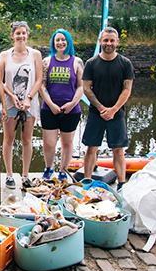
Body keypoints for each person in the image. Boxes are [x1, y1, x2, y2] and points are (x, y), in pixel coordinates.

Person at [82, 26, 134, 191]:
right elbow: (86, 88)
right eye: (106, 40)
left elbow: (127, 89)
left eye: (112, 40)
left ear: (117, 42)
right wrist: (101, 108)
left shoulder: (125, 63)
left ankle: (121, 183)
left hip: (117, 115)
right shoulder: (92, 63)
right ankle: (87, 182)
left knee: (118, 150)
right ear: (100, 41)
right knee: (91, 149)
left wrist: (113, 109)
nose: (109, 43)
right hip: (96, 114)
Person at [0, 21, 43, 189]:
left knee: (27, 140)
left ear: (28, 35)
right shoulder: (4, 55)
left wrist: (29, 98)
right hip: (10, 103)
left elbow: (39, 79)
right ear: (12, 36)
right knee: (8, 139)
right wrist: (11, 96)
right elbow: (0, 81)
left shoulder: (35, 54)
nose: (21, 36)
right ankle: (9, 174)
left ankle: (25, 175)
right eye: (17, 33)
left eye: (23, 33)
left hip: (29, 104)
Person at [40, 29, 84, 183]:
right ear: (53, 43)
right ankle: (49, 168)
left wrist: (73, 103)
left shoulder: (77, 62)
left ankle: (63, 170)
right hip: (49, 109)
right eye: (57, 40)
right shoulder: (46, 62)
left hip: (71, 110)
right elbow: (42, 85)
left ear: (68, 42)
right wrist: (50, 104)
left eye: (63, 40)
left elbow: (81, 86)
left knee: (67, 142)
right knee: (49, 143)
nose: (60, 43)